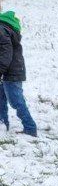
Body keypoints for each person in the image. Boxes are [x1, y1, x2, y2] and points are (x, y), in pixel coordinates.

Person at [0, 10, 37, 138]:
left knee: (16, 101)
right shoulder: (6, 28)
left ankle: (30, 128)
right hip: (9, 71)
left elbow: (6, 54)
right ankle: (3, 124)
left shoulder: (2, 29)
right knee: (1, 98)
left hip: (11, 72)